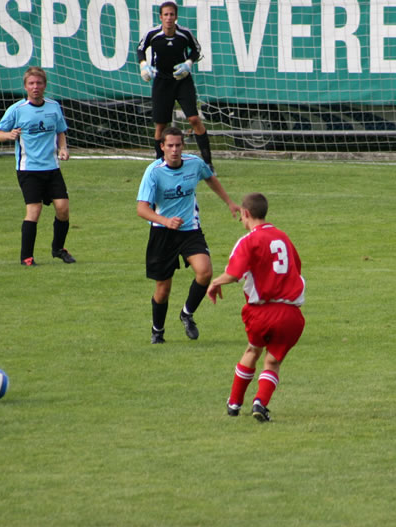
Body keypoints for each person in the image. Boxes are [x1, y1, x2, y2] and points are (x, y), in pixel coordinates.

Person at [207, 193, 306, 423]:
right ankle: (260, 402)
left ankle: (234, 403)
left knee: (252, 350)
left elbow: (234, 274)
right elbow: (296, 268)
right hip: (290, 315)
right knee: (273, 362)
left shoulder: (249, 240)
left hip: (261, 312)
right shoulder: (283, 237)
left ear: (246, 213)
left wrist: (215, 282)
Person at [137, 126, 239, 344]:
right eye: (170, 146)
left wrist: (229, 202)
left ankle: (187, 313)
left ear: (183, 146)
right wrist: (166, 221)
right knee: (163, 289)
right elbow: (142, 209)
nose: (174, 150)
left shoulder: (194, 163)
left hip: (190, 230)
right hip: (162, 233)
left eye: (178, 145)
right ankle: (158, 331)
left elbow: (210, 178)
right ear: (162, 147)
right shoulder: (153, 172)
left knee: (205, 271)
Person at [0, 66, 76, 266]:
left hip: (52, 168)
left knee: (63, 209)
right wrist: (9, 135)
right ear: (25, 87)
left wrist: (63, 149)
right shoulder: (17, 110)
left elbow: (60, 131)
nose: (35, 87)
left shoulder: (53, 107)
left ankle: (58, 249)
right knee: (34, 210)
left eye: (39, 83)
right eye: (31, 83)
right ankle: (26, 257)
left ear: (45, 85)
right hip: (28, 170)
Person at [136, 1, 215, 172]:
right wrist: (143, 65)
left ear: (176, 16)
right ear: (161, 17)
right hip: (162, 82)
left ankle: (208, 163)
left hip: (182, 80)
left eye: (172, 14)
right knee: (160, 126)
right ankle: (159, 164)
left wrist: (188, 63)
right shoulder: (152, 33)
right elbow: (140, 49)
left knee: (194, 119)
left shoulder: (184, 33)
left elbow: (196, 49)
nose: (169, 18)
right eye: (166, 14)